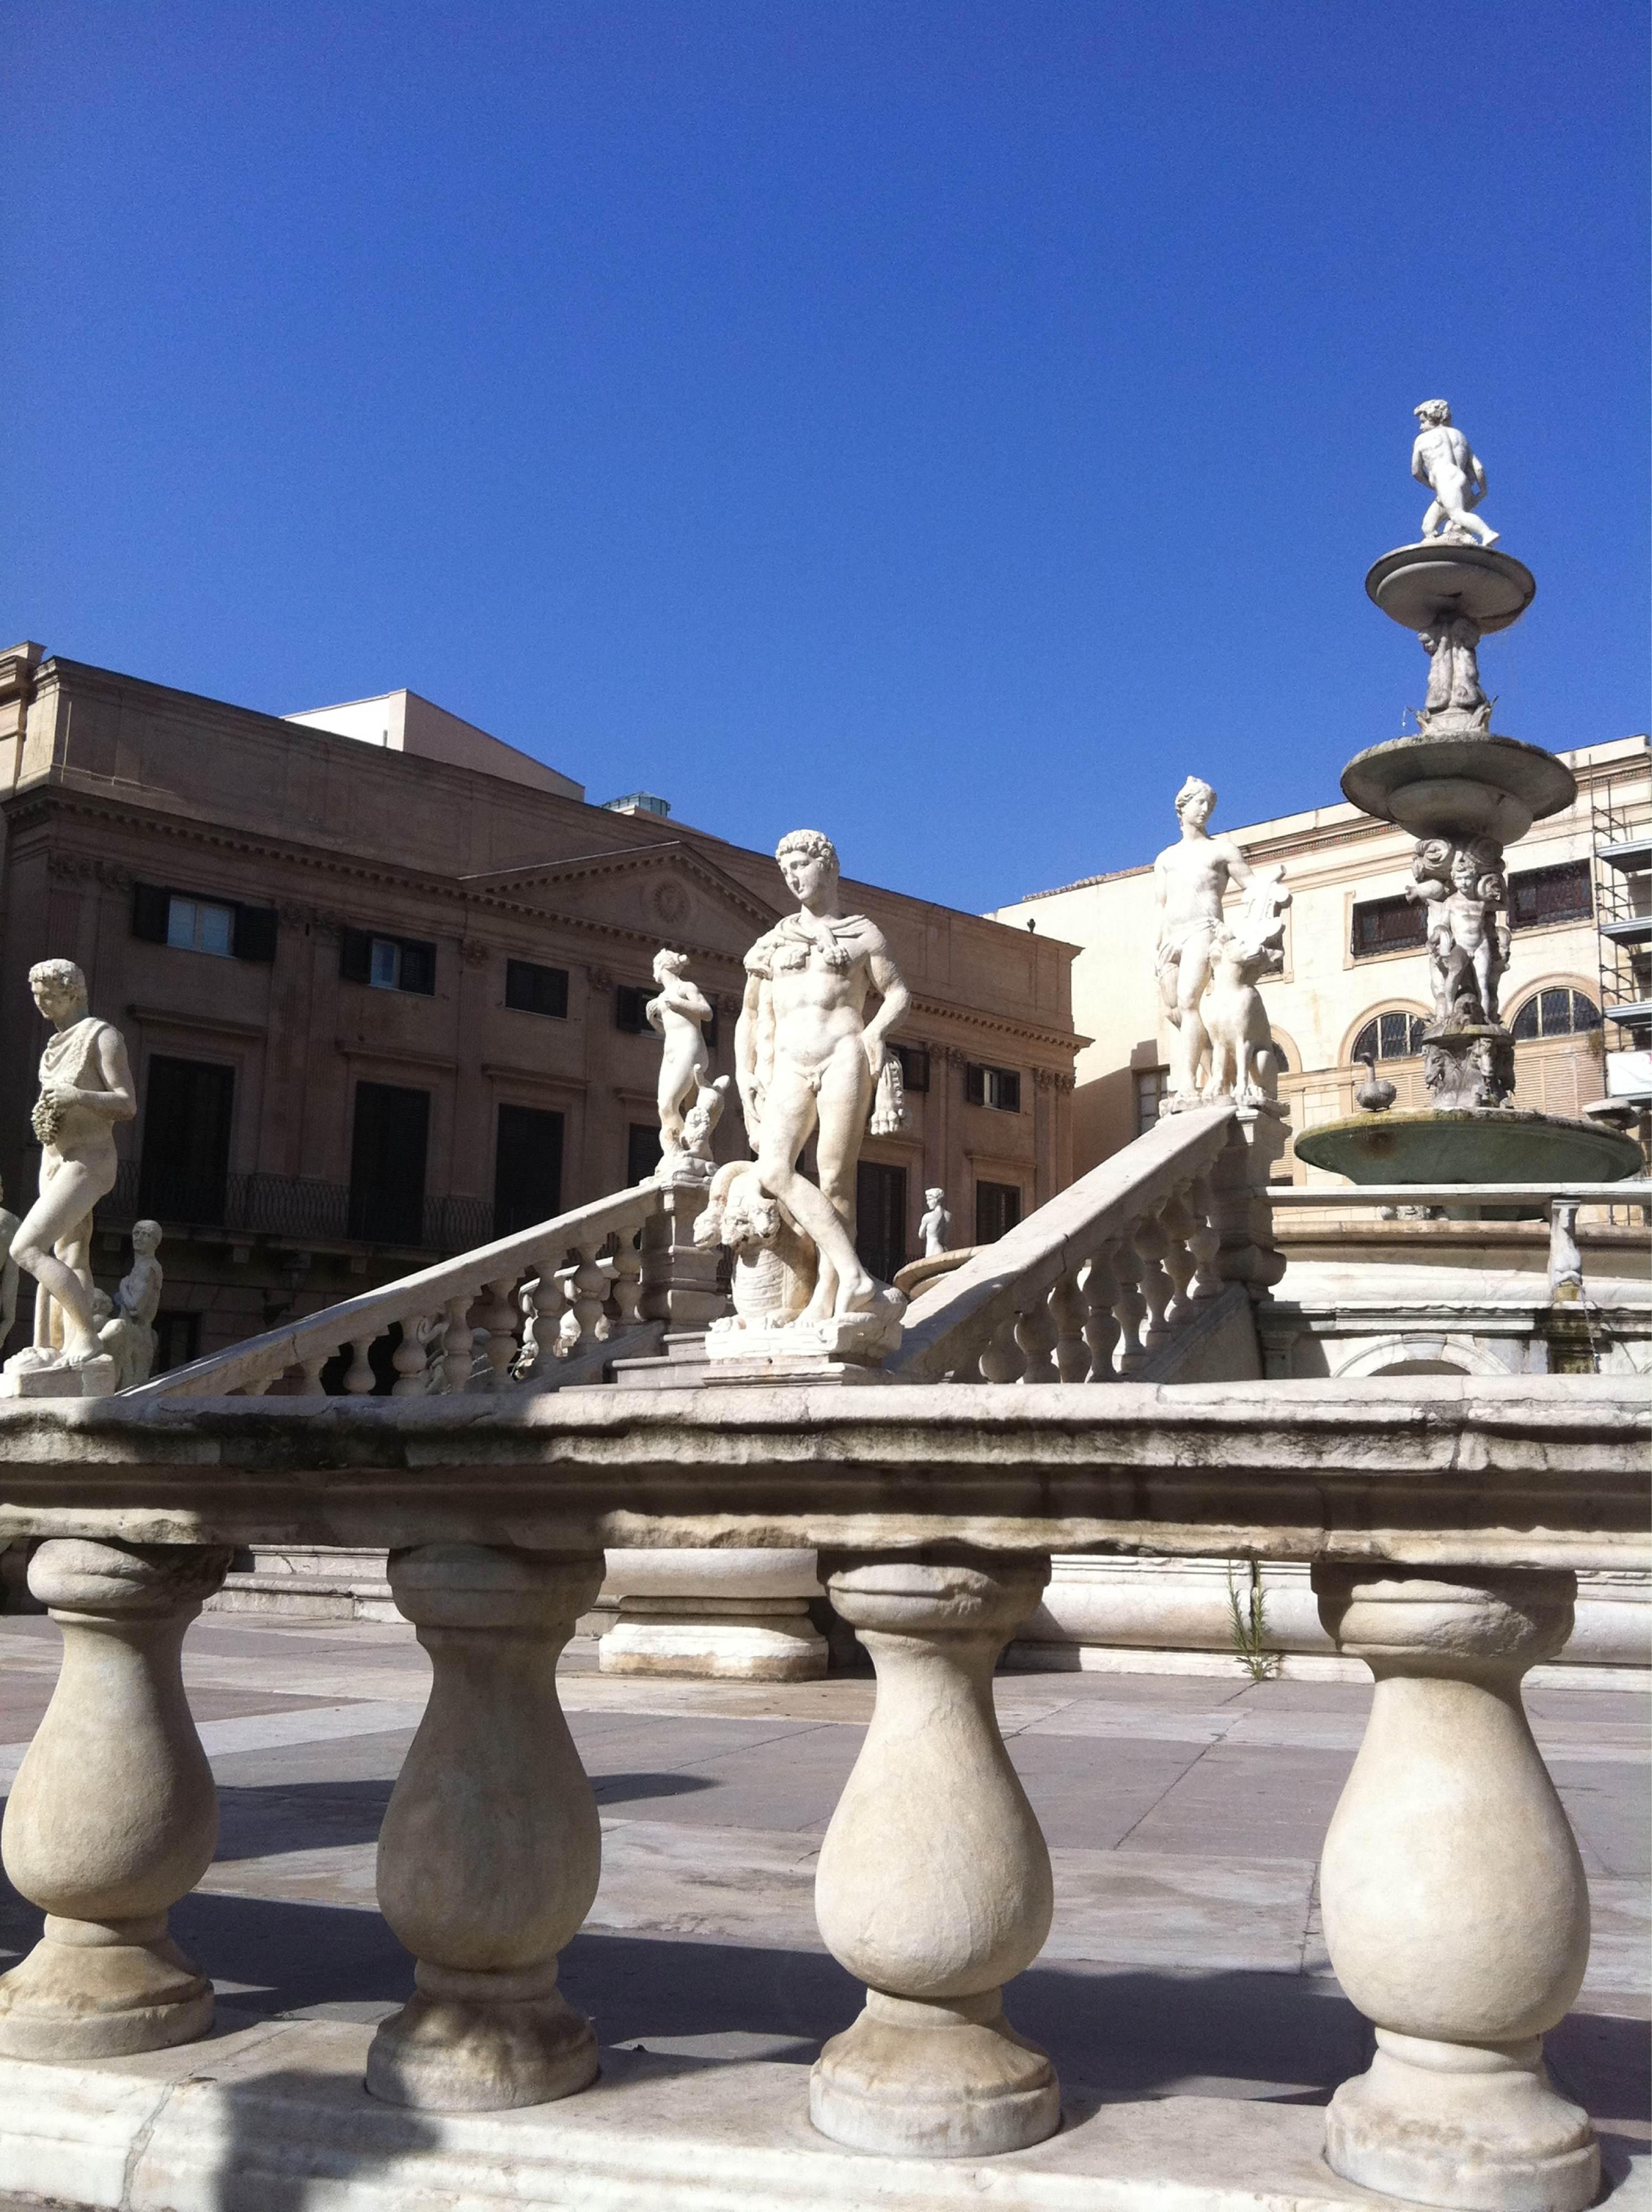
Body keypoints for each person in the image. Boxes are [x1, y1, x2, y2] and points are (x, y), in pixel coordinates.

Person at [735, 830, 911, 1320]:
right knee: (773, 1170)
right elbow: (750, 1014)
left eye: (801, 865)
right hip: (790, 1062)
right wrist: (744, 1072)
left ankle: (827, 1296)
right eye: (785, 869)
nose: (792, 876)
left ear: (829, 867)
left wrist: (875, 1034)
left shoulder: (862, 933)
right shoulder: (773, 941)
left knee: (836, 1179)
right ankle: (854, 1273)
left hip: (843, 1053)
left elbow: (897, 994)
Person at [4, 960, 135, 1372]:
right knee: (70, 1251)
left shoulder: (103, 1036)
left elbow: (127, 1104)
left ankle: (86, 1336)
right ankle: (50, 1347)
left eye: (49, 995)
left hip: (90, 1160)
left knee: (26, 1247)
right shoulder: (53, 1045)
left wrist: (77, 1096)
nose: (41, 1003)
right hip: (55, 1158)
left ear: (73, 992)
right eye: (36, 996)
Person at [1153, 779, 1259, 1105]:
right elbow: (1162, 906)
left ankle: (1186, 1084)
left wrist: (1248, 933)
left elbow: (1253, 888)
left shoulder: (1221, 850)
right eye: (1199, 803)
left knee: (1188, 1002)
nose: (1205, 810)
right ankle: (1218, 1076)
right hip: (1172, 938)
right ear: (1182, 807)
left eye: (1209, 805)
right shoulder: (1166, 858)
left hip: (1205, 930)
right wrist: (1157, 950)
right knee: (1176, 1012)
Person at [646, 949, 714, 1155]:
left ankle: (683, 1152)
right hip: (672, 1052)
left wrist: (679, 1003)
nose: (653, 973)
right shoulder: (661, 997)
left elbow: (707, 1013)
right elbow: (667, 1030)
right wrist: (653, 1020)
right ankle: (676, 1151)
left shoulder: (686, 987)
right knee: (664, 1106)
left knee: (670, 1103)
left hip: (690, 1048)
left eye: (654, 967)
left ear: (662, 967)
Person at [1411, 400, 1498, 547]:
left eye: (1423, 421)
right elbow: (1478, 468)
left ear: (1431, 417)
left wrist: (1433, 485)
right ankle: (1453, 539)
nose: (1421, 426)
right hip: (1461, 482)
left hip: (1446, 481)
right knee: (1428, 527)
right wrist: (1483, 491)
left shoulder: (1422, 439)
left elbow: (1416, 472)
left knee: (1457, 515)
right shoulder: (1459, 436)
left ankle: (1487, 533)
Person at [919, 1187, 952, 1259]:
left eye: (930, 1200)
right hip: (942, 1249)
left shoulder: (928, 1216)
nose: (928, 1203)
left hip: (932, 1250)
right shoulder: (948, 1215)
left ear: (936, 1200)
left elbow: (921, 1235)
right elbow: (946, 1237)